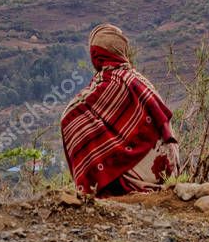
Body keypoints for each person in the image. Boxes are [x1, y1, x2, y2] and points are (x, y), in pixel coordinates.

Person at [61, 24, 179, 197]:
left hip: (141, 175)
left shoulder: (107, 85)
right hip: (169, 169)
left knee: (73, 121)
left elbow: (68, 118)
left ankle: (102, 187)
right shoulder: (139, 80)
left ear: (96, 55)